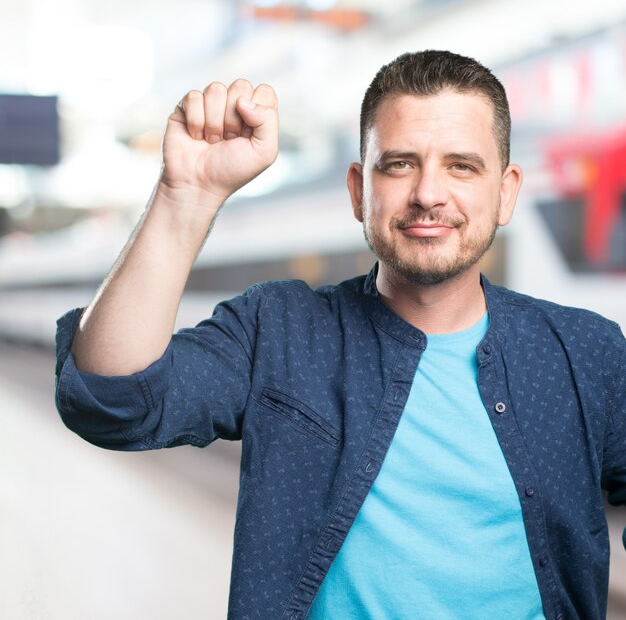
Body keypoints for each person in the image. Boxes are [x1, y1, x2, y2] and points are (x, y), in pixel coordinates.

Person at [55, 50, 625, 620]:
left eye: (461, 166)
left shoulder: (587, 352)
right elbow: (112, 400)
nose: (429, 193)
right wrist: (186, 196)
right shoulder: (276, 331)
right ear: (358, 190)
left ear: (505, 192)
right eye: (399, 164)